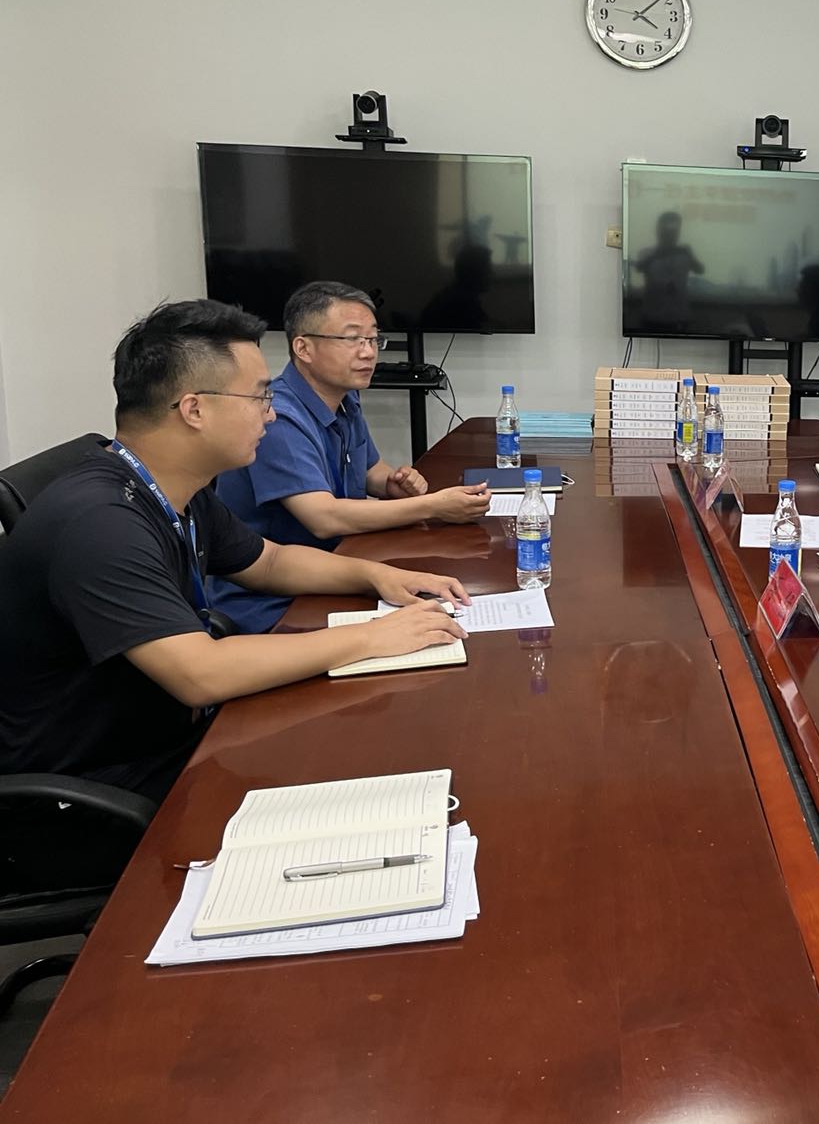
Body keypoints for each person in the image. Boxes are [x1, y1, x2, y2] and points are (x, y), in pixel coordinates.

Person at [0, 300, 472, 801]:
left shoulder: (177, 487)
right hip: (99, 781)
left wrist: (376, 576)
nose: (271, 413)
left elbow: (269, 561)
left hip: (168, 731)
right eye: (259, 397)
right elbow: (200, 673)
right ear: (194, 409)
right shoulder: (100, 523)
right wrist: (373, 637)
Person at [212, 281, 491, 633]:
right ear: (303, 348)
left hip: (340, 565)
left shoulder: (345, 398)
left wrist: (394, 484)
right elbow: (324, 518)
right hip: (274, 602)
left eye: (373, 339)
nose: (369, 352)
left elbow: (372, 470)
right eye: (352, 339)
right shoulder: (278, 417)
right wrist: (432, 506)